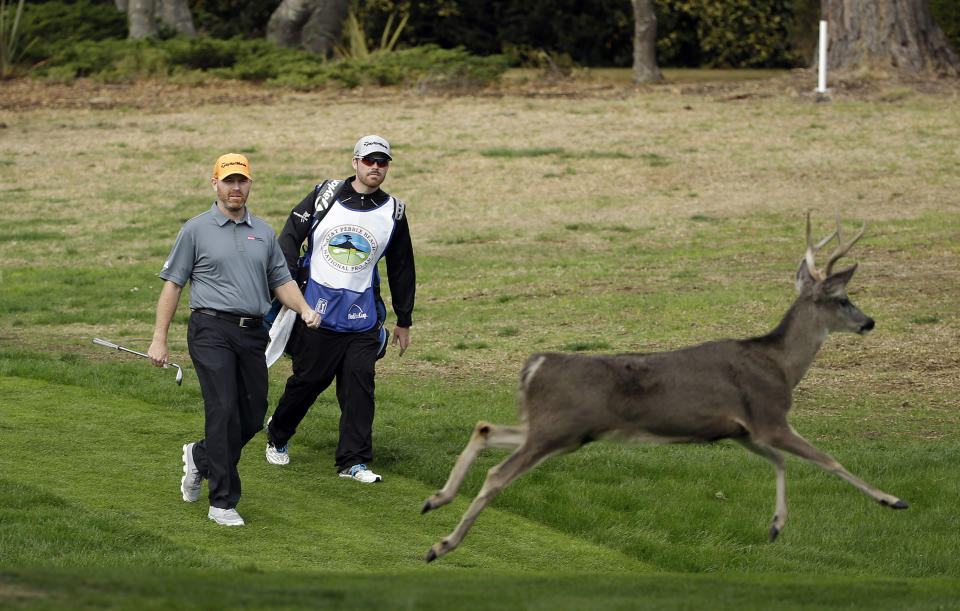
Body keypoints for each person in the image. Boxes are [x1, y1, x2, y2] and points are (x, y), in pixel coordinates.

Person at [148, 153, 322, 526]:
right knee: (223, 407)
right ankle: (222, 501)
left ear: (250, 185)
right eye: (228, 181)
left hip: (253, 332)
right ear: (215, 185)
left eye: (242, 181)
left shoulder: (263, 231)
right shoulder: (195, 229)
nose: (235, 188)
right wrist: (159, 338)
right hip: (210, 330)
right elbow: (173, 285)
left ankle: (202, 456)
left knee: (253, 415)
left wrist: (304, 308)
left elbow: (282, 281)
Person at [264, 135, 416, 483]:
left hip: (363, 318)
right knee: (309, 381)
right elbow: (288, 237)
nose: (375, 167)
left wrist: (403, 320)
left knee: (359, 385)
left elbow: (402, 267)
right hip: (315, 313)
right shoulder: (325, 194)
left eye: (382, 162)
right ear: (355, 163)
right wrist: (287, 289)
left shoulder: (394, 211)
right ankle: (278, 432)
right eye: (369, 161)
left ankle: (353, 462)